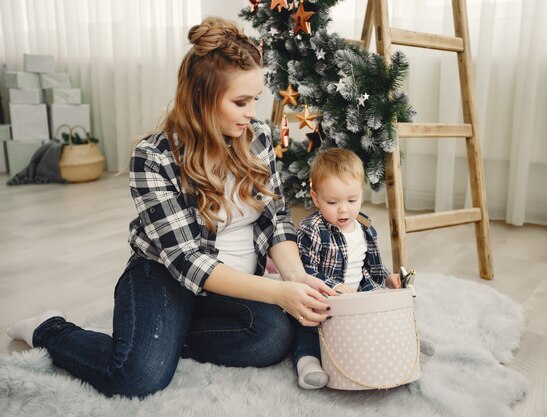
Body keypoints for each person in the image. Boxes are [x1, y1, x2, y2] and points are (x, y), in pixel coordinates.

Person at [6, 16, 335, 398]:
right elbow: (188, 260)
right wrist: (276, 293)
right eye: (240, 101)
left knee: (271, 338)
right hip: (164, 276)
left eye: (255, 100)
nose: (251, 112)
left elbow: (276, 221)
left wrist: (293, 277)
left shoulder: (257, 137)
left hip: (228, 287)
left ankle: (165, 337)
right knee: (136, 377)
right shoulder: (154, 157)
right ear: (202, 97)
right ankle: (50, 328)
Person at [292, 148, 401, 389]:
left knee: (382, 315)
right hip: (323, 302)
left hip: (358, 299)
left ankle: (405, 344)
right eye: (333, 202)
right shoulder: (312, 229)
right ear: (316, 197)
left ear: (361, 194)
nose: (344, 209)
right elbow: (304, 270)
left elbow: (372, 266)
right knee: (307, 332)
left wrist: (387, 279)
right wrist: (333, 287)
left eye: (352, 200)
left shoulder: (364, 227)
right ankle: (308, 366)